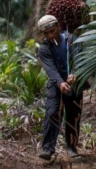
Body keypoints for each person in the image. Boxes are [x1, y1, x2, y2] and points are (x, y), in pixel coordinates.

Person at [37, 15, 88, 160]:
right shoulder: (44, 49)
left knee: (73, 114)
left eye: (52, 31)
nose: (50, 35)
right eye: (46, 33)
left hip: (75, 82)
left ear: (59, 26)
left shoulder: (72, 40)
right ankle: (47, 149)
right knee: (52, 111)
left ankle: (72, 148)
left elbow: (79, 58)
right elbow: (51, 69)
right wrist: (60, 83)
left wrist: (74, 74)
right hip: (56, 83)